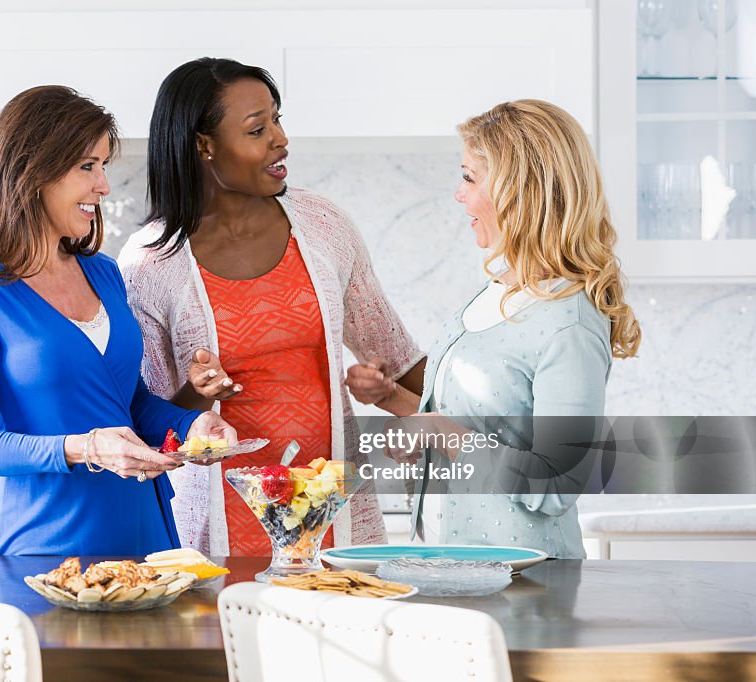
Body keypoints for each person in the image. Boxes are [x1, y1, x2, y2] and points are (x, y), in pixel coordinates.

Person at [118, 58, 426, 556]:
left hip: (336, 517)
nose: (280, 139)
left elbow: (399, 357)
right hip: (221, 527)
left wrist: (480, 428)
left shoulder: (324, 224)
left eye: (277, 120)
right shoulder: (150, 264)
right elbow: (151, 426)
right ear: (205, 145)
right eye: (258, 129)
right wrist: (195, 394)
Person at [0, 85, 236, 556]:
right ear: (33, 172)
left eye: (103, 166)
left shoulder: (104, 273)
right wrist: (85, 449)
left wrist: (192, 423)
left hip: (149, 538)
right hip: (45, 548)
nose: (104, 186)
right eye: (87, 167)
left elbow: (128, 403)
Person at [347, 99, 641, 558]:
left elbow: (557, 482)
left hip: (524, 581)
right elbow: (477, 428)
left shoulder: (569, 321)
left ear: (519, 191)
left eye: (469, 177)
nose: (458, 194)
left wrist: (439, 431)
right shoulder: (496, 291)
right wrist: (394, 402)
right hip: (454, 562)